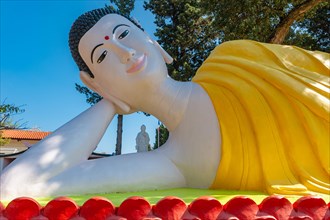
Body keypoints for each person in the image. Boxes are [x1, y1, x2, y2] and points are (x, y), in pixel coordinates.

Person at [0, 6, 328, 200]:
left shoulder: (234, 61)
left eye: (124, 34)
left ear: (153, 41)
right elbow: (20, 184)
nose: (124, 53)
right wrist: (109, 101)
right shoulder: (173, 164)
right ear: (94, 82)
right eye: (102, 56)